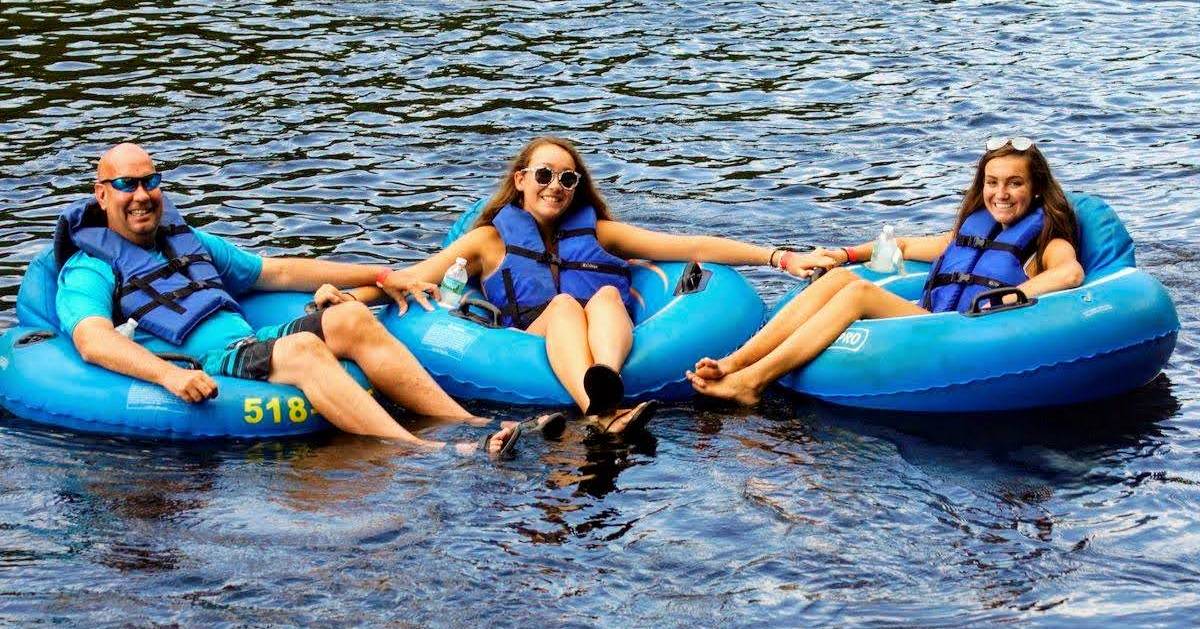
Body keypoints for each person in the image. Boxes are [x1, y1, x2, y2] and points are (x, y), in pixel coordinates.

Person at [55, 143, 540, 456]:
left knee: (349, 316)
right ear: (102, 195)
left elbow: (279, 270)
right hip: (205, 360)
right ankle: (423, 453)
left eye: (149, 181)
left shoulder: (188, 239)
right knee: (305, 349)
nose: (141, 194)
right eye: (125, 184)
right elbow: (92, 339)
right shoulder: (91, 266)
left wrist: (380, 273)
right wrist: (170, 375)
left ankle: (472, 424)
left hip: (248, 341)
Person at [326, 136, 837, 431]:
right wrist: (352, 296)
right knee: (569, 305)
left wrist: (779, 257)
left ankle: (606, 383)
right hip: (538, 330)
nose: (556, 186)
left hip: (605, 330)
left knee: (609, 292)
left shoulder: (599, 232)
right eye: (546, 174)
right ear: (522, 178)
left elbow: (688, 244)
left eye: (568, 179)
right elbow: (415, 278)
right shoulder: (487, 240)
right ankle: (601, 410)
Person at [687, 137, 1086, 404]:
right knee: (843, 280)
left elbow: (1069, 274)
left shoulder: (1045, 239)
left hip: (967, 327)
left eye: (1014, 183)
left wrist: (998, 300)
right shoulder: (971, 232)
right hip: (939, 319)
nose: (1000, 193)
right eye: (993, 182)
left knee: (858, 294)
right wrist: (844, 255)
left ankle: (754, 382)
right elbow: (907, 245)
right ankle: (734, 363)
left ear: (1035, 189)